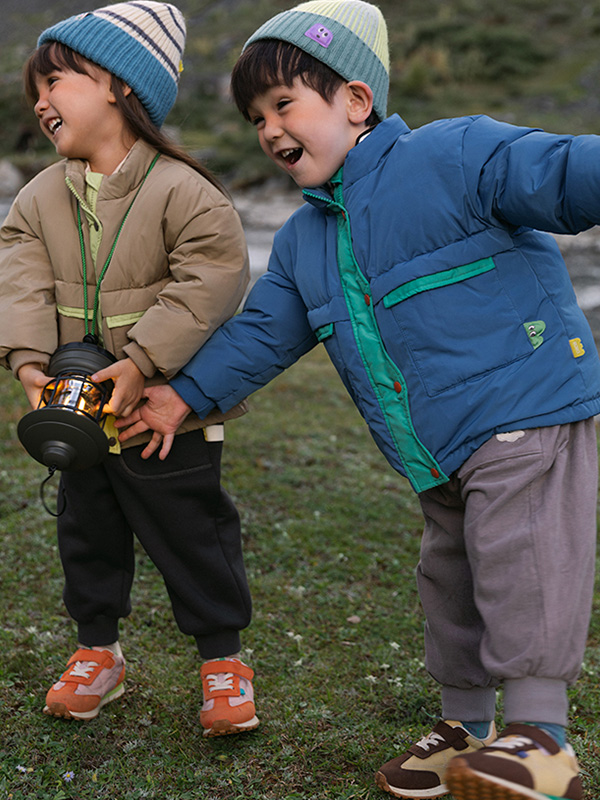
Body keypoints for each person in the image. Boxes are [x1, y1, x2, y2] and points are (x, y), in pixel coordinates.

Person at [116, 0, 600, 796]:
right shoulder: (308, 237)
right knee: (451, 577)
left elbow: (558, 173)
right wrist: (181, 397)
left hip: (527, 408)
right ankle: (465, 729)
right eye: (254, 118)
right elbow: (262, 335)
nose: (268, 131)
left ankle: (540, 737)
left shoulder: (454, 154)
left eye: (283, 105)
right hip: (432, 447)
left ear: (355, 101)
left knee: (522, 563)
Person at [0, 1, 260, 738]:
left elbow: (212, 276)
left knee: (193, 532)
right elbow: (19, 275)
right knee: (87, 535)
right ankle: (98, 650)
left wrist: (144, 361)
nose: (42, 101)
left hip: (164, 417)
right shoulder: (39, 195)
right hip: (77, 412)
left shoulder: (185, 190)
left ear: (118, 85)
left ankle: (222, 661)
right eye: (36, 91)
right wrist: (26, 360)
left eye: (57, 81)